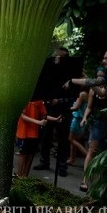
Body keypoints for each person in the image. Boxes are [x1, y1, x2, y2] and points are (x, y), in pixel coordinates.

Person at [65, 48, 107, 192]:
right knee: (92, 149)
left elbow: (96, 82)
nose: (103, 61)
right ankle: (86, 181)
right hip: (101, 118)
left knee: (105, 152)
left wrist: (72, 81)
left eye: (106, 58)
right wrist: (91, 84)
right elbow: (102, 92)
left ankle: (102, 185)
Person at [33, 48, 74, 177]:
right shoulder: (48, 72)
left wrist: (60, 101)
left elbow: (73, 95)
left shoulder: (70, 72)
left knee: (63, 139)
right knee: (45, 136)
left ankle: (62, 166)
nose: (56, 59)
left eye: (59, 57)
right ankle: (44, 161)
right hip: (49, 109)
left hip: (64, 110)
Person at [16, 98, 61, 177]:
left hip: (33, 133)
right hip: (23, 132)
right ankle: (18, 176)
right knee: (22, 154)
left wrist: (55, 119)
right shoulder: (24, 99)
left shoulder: (39, 101)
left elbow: (44, 116)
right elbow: (22, 116)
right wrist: (38, 122)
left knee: (30, 155)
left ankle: (25, 176)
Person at [66, 90, 88, 166]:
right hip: (82, 119)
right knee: (74, 140)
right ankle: (72, 159)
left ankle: (89, 156)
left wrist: (65, 108)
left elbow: (76, 107)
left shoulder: (82, 94)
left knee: (71, 139)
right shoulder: (88, 94)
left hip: (77, 119)